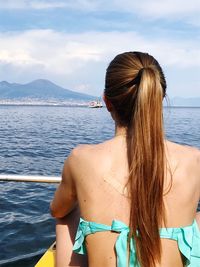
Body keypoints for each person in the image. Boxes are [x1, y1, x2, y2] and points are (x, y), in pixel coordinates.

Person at [50, 51, 200, 267]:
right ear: (158, 98)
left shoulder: (81, 158)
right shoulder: (194, 160)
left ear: (106, 101)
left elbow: (57, 210)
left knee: (67, 215)